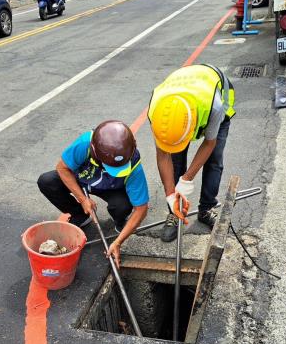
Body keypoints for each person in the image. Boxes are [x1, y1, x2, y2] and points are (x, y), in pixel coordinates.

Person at [38, 120, 149, 266]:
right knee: (47, 181)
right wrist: (82, 199)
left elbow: (141, 209)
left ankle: (120, 223)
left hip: (112, 187)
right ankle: (79, 214)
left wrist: (118, 242)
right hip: (83, 179)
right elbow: (62, 168)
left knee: (122, 205)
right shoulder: (85, 144)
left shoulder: (134, 164)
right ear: (96, 154)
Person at [148, 63, 235, 242]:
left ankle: (206, 208)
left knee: (214, 159)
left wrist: (186, 180)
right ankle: (175, 211)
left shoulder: (214, 106)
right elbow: (163, 155)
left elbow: (209, 144)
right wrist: (171, 195)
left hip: (216, 97)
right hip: (181, 101)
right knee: (176, 160)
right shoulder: (157, 111)